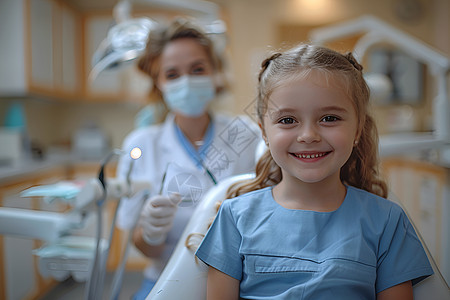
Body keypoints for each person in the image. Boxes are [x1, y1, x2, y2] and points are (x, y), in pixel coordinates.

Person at [195, 43, 434, 299]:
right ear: (264, 131)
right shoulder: (234, 218)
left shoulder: (387, 222)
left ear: (357, 129)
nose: (308, 135)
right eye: (288, 120)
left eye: (329, 118)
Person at [115, 18, 260, 299]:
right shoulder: (141, 145)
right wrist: (151, 233)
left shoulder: (245, 134)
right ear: (158, 83)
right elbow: (142, 247)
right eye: (172, 74)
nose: (187, 81)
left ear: (214, 71)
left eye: (197, 69)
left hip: (238, 284)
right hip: (165, 280)